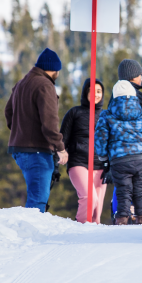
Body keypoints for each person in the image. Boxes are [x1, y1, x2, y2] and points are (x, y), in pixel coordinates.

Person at [5, 48, 68, 213]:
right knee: (38, 200)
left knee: (35, 196)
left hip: (19, 149)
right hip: (37, 151)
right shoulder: (45, 85)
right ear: (54, 69)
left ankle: (32, 235)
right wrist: (60, 148)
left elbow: (8, 112)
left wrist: (20, 131)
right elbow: (50, 122)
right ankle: (32, 238)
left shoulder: (22, 83)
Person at [95, 80, 142, 225]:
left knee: (123, 193)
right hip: (139, 160)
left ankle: (122, 223)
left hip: (119, 161)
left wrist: (104, 159)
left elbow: (100, 139)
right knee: (139, 192)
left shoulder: (107, 115)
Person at [60, 78, 109, 224]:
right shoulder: (74, 113)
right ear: (85, 93)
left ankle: (91, 243)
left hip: (101, 167)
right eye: (92, 91)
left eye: (99, 91)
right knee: (89, 198)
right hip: (79, 162)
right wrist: (61, 153)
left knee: (96, 213)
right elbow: (62, 139)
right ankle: (80, 227)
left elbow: (114, 142)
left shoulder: (107, 116)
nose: (96, 94)